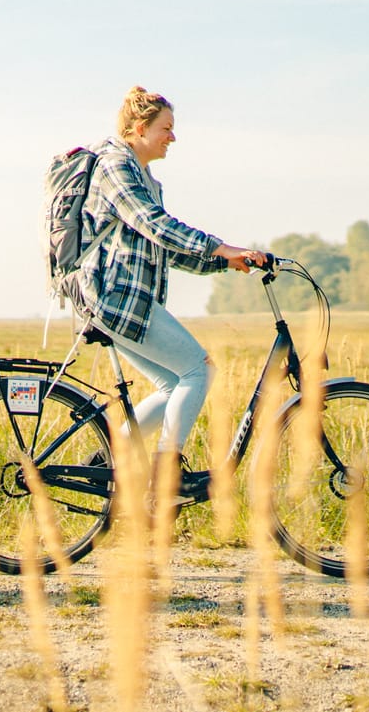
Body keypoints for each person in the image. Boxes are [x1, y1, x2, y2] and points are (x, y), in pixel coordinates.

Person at [76, 86, 264, 488]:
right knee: (199, 369)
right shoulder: (115, 166)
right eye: (167, 128)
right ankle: (165, 470)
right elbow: (154, 225)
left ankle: (109, 462)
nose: (173, 138)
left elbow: (163, 250)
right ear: (141, 128)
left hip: (128, 301)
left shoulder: (144, 177)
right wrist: (219, 245)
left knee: (174, 384)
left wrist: (223, 262)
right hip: (114, 297)